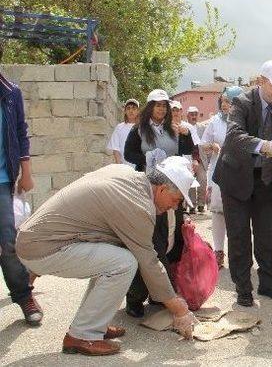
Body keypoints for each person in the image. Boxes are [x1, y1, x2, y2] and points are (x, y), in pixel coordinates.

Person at [16, 157, 199, 356]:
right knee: (124, 262)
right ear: (162, 189)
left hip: (37, 240)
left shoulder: (126, 175)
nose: (174, 207)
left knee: (112, 256)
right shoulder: (138, 206)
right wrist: (178, 308)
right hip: (42, 247)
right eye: (176, 200)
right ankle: (82, 334)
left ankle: (95, 324)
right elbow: (149, 261)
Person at [213, 60, 272, 307]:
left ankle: (270, 284)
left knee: (266, 236)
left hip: (266, 180)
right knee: (239, 237)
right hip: (236, 179)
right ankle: (243, 289)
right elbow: (234, 136)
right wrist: (265, 145)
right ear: (261, 81)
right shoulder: (241, 102)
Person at [123, 89, 195, 317]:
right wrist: (149, 158)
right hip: (148, 192)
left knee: (172, 242)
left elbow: (186, 152)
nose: (162, 110)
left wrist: (185, 135)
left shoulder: (173, 129)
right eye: (157, 105)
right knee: (150, 245)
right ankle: (135, 298)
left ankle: (160, 294)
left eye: (165, 106)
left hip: (172, 192)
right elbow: (129, 154)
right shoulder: (139, 130)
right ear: (149, 108)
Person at [0, 71, 42, 326]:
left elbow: (20, 133)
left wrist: (26, 172)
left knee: (7, 242)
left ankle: (24, 296)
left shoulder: (10, 93)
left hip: (2, 180)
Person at [201, 86, 244, 268]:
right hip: (219, 171)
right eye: (223, 101)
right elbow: (203, 145)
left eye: (228, 101)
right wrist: (213, 146)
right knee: (218, 212)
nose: (224, 105)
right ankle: (218, 252)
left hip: (240, 172)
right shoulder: (215, 122)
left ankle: (239, 253)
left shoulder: (245, 120)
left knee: (239, 213)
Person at [106, 98, 139, 168]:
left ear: (137, 111)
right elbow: (116, 148)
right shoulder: (119, 127)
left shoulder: (143, 128)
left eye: (134, 108)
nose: (131, 111)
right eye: (128, 108)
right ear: (125, 111)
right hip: (124, 167)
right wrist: (119, 166)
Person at [186, 105, 207, 214]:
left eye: (195, 114)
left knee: (203, 180)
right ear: (187, 115)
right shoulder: (184, 127)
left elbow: (207, 141)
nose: (194, 116)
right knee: (190, 182)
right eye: (191, 114)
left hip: (201, 159)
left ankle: (201, 205)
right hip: (188, 159)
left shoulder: (202, 128)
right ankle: (192, 205)